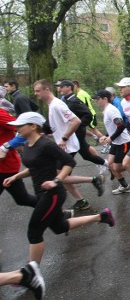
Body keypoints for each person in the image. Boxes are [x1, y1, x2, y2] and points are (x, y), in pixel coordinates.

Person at [3, 112, 115, 265]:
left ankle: (31, 273)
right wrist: (16, 177)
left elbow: (69, 162)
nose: (16, 129)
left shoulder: (46, 144)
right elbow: (33, 167)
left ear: (33, 126)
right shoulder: (28, 144)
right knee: (59, 227)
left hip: (53, 194)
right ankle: (102, 216)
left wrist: (56, 180)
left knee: (34, 232)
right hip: (41, 192)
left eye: (20, 126)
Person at [33, 79, 104, 211]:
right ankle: (81, 200)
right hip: (63, 146)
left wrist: (65, 137)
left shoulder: (57, 105)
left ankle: (93, 180)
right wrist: (46, 134)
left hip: (67, 146)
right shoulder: (53, 104)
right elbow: (59, 125)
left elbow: (76, 121)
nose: (35, 94)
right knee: (62, 176)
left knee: (59, 176)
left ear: (46, 90)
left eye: (37, 91)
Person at [57, 80, 109, 175]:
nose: (59, 88)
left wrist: (78, 125)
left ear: (69, 87)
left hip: (76, 134)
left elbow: (88, 114)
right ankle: (106, 164)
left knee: (66, 158)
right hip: (73, 133)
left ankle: (63, 177)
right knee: (86, 155)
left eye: (61, 86)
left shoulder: (74, 100)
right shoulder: (65, 100)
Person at [93, 89, 130, 195]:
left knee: (117, 167)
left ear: (105, 99)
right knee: (110, 165)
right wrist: (106, 136)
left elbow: (121, 126)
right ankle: (125, 186)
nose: (96, 101)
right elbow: (113, 127)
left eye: (98, 99)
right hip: (116, 142)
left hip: (123, 142)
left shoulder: (111, 110)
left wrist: (110, 138)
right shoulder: (106, 110)